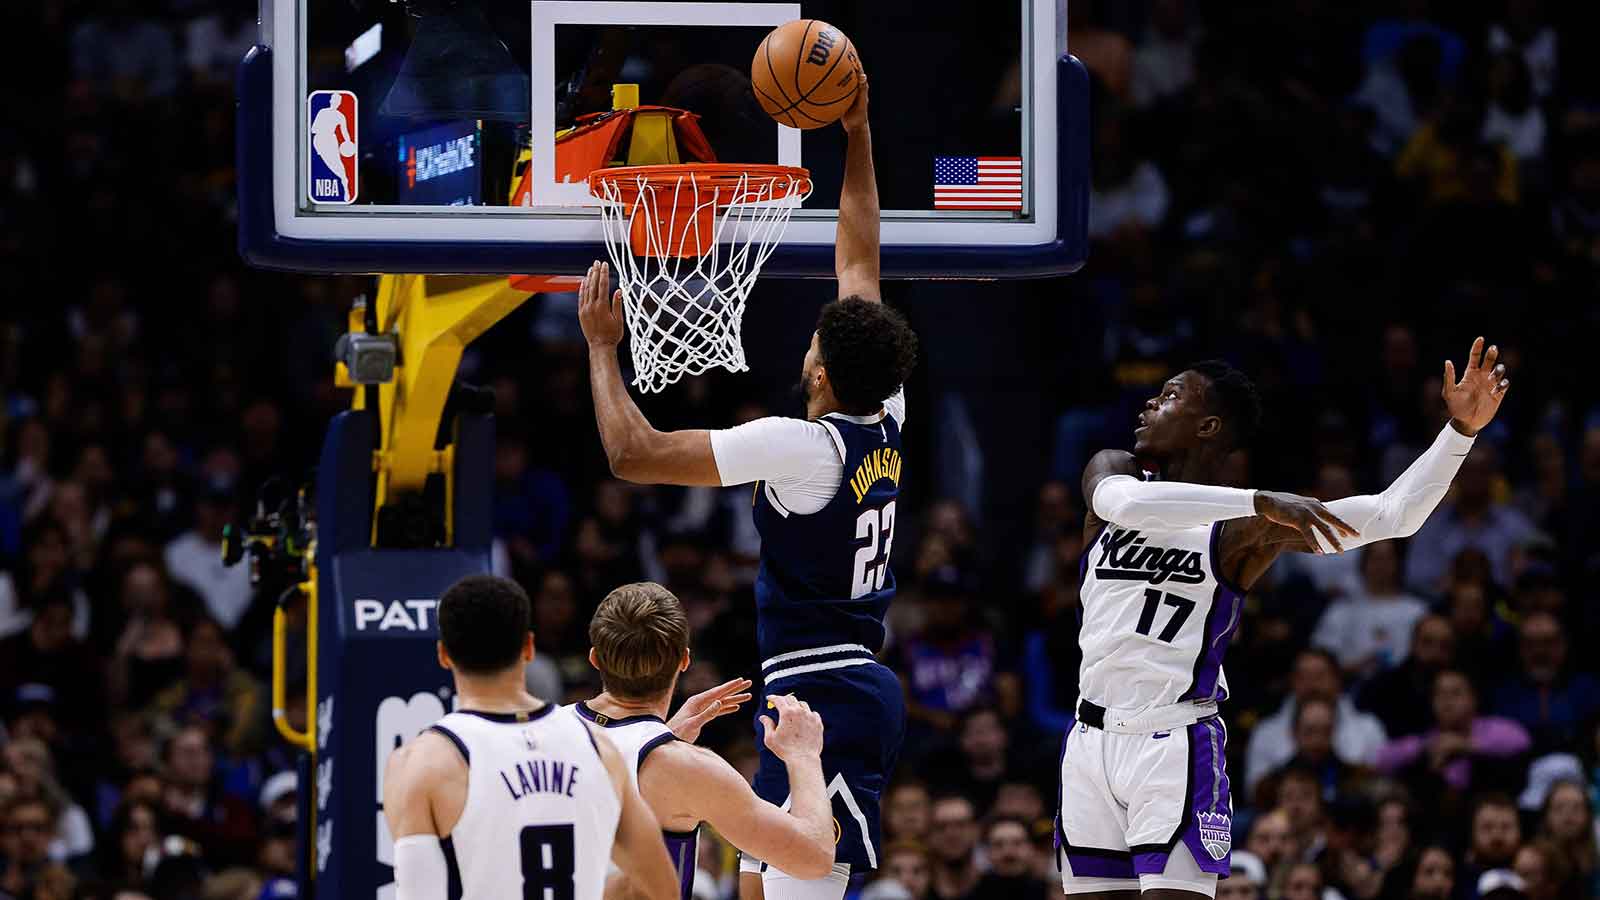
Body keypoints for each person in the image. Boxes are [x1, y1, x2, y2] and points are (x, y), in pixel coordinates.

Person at [576, 81, 918, 900]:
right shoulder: (887, 408)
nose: (807, 342)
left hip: (826, 687)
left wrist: (600, 346)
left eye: (812, 342)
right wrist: (859, 132)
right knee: (759, 887)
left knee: (790, 884)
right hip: (828, 677)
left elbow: (635, 452)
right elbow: (859, 261)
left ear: (823, 373)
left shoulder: (803, 448)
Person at [1060, 338, 1509, 898]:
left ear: (1208, 427)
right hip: (1088, 741)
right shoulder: (1114, 472)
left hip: (1171, 744)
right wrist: (1259, 500)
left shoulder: (1242, 533)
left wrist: (1460, 433)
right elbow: (1125, 506)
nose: (1149, 404)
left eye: (1170, 396)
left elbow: (1395, 514)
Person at [381, 575, 679, 900]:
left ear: (444, 655)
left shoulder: (422, 762)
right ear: (529, 647)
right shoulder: (597, 747)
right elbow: (662, 889)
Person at [572, 582, 836, 899]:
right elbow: (815, 858)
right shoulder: (686, 769)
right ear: (684, 660)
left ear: (595, 658)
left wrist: (663, 736)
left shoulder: (537, 730)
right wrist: (803, 756)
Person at [1245, 649, 1388, 795]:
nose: (1312, 684)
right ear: (1293, 681)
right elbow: (1254, 793)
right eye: (1304, 676)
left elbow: (1379, 786)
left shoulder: (1369, 727)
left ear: (1337, 680)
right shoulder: (1265, 731)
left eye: (1320, 676)